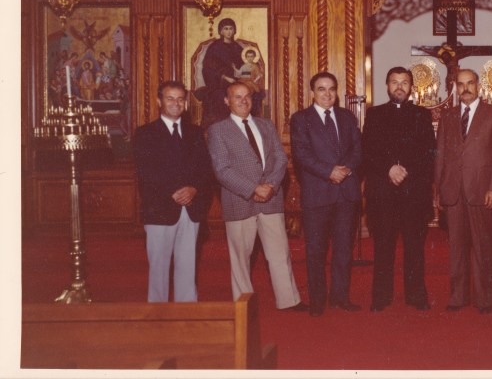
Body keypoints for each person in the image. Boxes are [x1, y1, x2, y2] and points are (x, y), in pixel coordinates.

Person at [207, 82, 308, 312]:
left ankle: (289, 300)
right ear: (227, 101)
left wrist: (270, 185)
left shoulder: (266, 124)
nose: (243, 101)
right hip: (239, 200)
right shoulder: (218, 130)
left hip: (271, 198)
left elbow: (280, 158)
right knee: (241, 258)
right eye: (237, 97)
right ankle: (244, 304)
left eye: (247, 96)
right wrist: (253, 188)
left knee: (279, 252)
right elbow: (221, 169)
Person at [435, 68, 492, 314]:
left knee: (482, 247)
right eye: (461, 84)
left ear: (478, 86)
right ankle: (458, 297)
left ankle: (484, 299)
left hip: (481, 190)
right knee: (456, 248)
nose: (465, 88)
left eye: (470, 83)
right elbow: (441, 155)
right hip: (453, 191)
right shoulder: (448, 115)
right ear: (455, 87)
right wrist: (438, 189)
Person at [362, 67, 435, 312]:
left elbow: (429, 151)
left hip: (413, 192)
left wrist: (405, 170)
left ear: (411, 87)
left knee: (415, 247)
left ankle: (416, 295)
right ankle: (381, 297)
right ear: (387, 86)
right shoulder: (374, 114)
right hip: (383, 193)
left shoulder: (422, 115)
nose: (400, 87)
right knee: (383, 247)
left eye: (404, 82)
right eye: (394, 82)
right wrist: (389, 168)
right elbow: (368, 149)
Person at [290, 72, 363, 316]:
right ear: (313, 92)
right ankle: (318, 301)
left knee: (343, 250)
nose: (327, 94)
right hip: (318, 194)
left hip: (346, 194)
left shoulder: (347, 116)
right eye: (321, 89)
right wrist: (329, 171)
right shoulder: (301, 119)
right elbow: (301, 153)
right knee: (316, 251)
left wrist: (346, 169)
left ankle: (340, 297)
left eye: (331, 88)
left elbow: (357, 149)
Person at [133, 81, 213, 302]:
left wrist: (193, 189)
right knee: (158, 268)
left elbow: (205, 168)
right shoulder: (145, 133)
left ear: (185, 103)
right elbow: (146, 172)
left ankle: (186, 311)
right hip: (160, 210)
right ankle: (158, 313)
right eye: (170, 98)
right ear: (159, 101)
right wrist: (173, 192)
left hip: (191, 209)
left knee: (188, 265)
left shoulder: (195, 133)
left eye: (180, 99)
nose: (176, 103)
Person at [200, 18, 264, 127]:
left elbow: (245, 65)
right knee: (220, 97)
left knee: (254, 94)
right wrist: (224, 77)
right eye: (226, 29)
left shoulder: (237, 48)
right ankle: (222, 127)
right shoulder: (215, 47)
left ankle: (249, 125)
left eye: (231, 29)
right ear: (221, 31)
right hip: (219, 84)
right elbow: (208, 69)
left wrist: (249, 73)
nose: (229, 31)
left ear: (234, 31)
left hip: (238, 81)